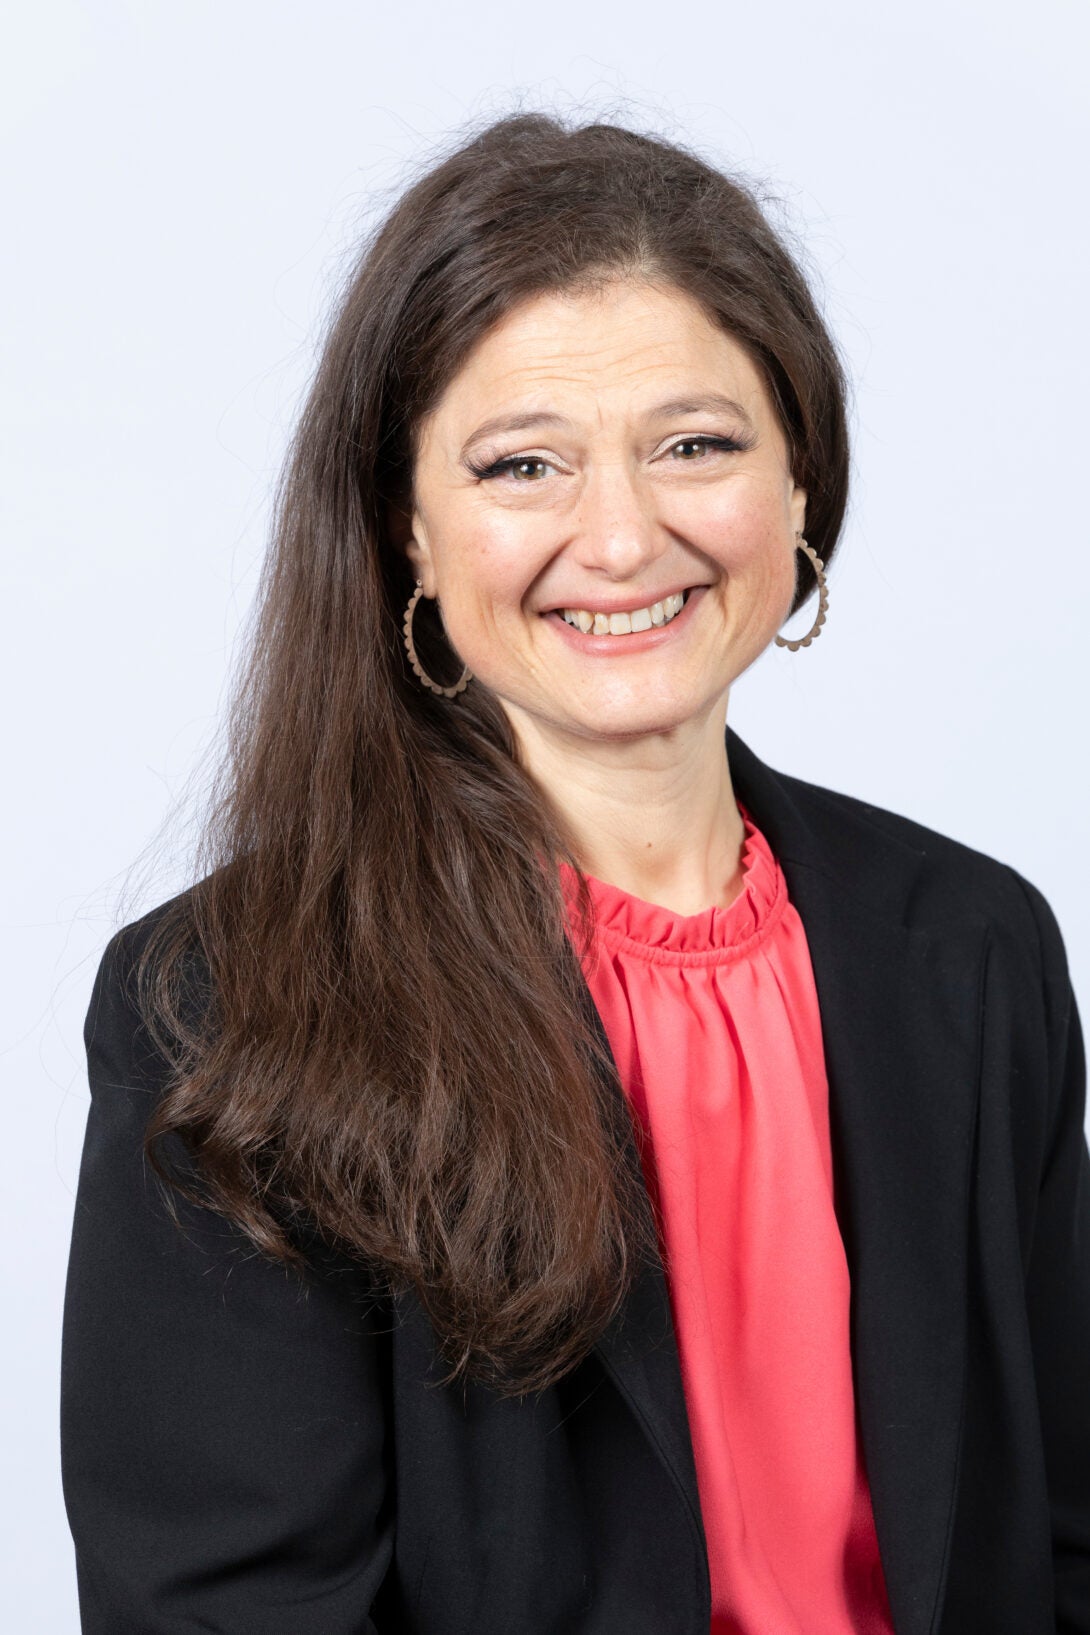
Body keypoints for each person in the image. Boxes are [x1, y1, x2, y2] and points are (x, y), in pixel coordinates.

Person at [60, 113, 1090, 1635]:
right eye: (521, 464)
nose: (620, 536)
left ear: (799, 483)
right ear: (406, 529)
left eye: (695, 444)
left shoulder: (969, 943)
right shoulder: (231, 1002)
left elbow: (1058, 1536)